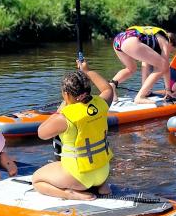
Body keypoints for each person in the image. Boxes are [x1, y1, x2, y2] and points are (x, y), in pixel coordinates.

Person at [32, 59, 114, 201]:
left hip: (80, 176)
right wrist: (87, 71)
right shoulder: (101, 103)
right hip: (103, 172)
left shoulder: (64, 117)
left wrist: (64, 106)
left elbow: (41, 133)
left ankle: (69, 194)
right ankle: (102, 186)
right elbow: (107, 89)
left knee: (37, 180)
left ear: (66, 94)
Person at [111, 25, 176, 102]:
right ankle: (140, 97)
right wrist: (168, 90)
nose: (170, 52)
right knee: (163, 65)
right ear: (171, 44)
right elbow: (165, 68)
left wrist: (145, 89)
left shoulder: (153, 39)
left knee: (131, 69)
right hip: (130, 40)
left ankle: (112, 86)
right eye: (171, 50)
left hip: (118, 39)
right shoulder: (165, 41)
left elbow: (145, 65)